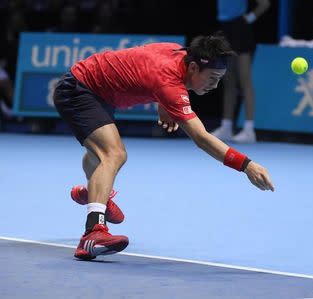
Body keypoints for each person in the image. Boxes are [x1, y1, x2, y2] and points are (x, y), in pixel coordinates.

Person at [53, 32, 275, 261]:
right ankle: (93, 233)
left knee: (99, 154)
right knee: (114, 153)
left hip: (98, 91)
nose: (215, 86)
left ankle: (95, 194)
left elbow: (144, 57)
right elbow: (201, 138)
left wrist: (161, 100)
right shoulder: (168, 82)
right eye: (212, 78)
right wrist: (246, 165)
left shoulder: (177, 52)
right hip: (78, 89)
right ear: (193, 69)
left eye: (219, 79)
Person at [211, 0, 270, 143]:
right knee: (228, 80)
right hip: (225, 29)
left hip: (240, 29)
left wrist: (248, 19)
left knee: (245, 80)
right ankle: (226, 127)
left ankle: (249, 130)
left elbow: (264, 4)